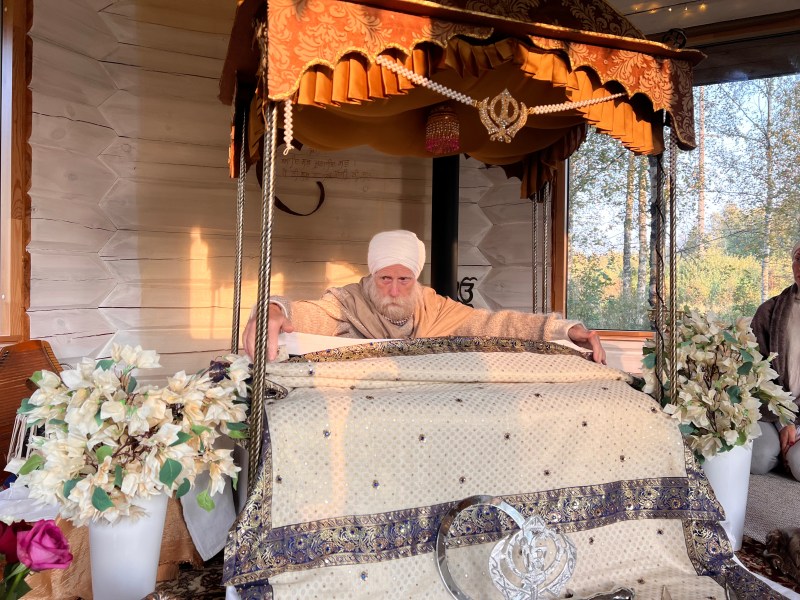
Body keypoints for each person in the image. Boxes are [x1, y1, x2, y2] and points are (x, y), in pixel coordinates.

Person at [243, 230, 606, 364]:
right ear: (372, 275)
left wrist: (564, 330)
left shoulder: (434, 307)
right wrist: (273, 309)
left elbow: (497, 324)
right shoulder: (348, 302)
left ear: (415, 278)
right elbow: (306, 313)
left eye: (404, 279)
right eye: (385, 279)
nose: (394, 290)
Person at [750, 240, 800, 480]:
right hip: (771, 410)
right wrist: (783, 422)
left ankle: (790, 454)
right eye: (798, 258)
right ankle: (783, 447)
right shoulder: (769, 312)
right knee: (758, 458)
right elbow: (754, 370)